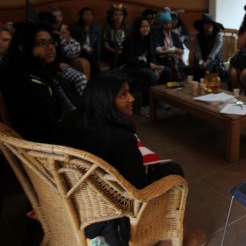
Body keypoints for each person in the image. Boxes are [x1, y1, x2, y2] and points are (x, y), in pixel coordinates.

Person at [56, 72, 184, 244]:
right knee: (174, 170)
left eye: (129, 92)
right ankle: (169, 227)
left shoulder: (70, 120)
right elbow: (137, 189)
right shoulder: (119, 137)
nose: (131, 98)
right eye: (123, 94)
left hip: (76, 195)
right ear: (105, 100)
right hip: (114, 206)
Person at [0, 20, 81, 143]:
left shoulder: (42, 72)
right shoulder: (28, 84)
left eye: (51, 42)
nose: (50, 48)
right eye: (41, 43)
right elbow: (47, 131)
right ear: (23, 48)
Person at [119, 16, 170, 117]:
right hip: (128, 67)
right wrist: (149, 66)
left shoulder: (148, 37)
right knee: (152, 76)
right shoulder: (129, 40)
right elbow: (130, 61)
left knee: (167, 71)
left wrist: (156, 66)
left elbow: (152, 55)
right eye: (142, 26)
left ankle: (159, 99)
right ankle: (145, 106)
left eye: (147, 26)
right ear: (137, 27)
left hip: (143, 65)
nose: (145, 29)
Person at [49, 6, 91, 78]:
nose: (57, 18)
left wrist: (67, 38)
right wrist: (57, 64)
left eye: (60, 16)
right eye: (54, 16)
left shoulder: (64, 30)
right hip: (53, 66)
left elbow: (75, 52)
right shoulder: (47, 33)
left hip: (65, 64)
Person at [153, 8, 187, 81]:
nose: (168, 25)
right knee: (172, 61)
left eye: (169, 23)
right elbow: (158, 49)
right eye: (165, 23)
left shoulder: (175, 35)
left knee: (181, 65)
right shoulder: (157, 34)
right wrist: (174, 50)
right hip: (162, 59)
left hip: (176, 58)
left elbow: (181, 50)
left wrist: (168, 49)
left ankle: (181, 83)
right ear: (162, 24)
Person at [192, 13, 226, 81]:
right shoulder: (198, 36)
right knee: (196, 67)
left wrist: (207, 62)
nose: (208, 26)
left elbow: (215, 51)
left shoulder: (218, 36)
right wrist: (200, 60)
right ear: (203, 25)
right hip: (202, 59)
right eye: (206, 24)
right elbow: (197, 51)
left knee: (209, 68)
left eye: (210, 24)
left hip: (214, 60)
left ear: (213, 26)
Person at [71, 6, 101, 76]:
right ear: (81, 16)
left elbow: (98, 44)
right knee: (90, 55)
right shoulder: (75, 27)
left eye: (90, 14)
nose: (88, 17)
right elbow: (74, 42)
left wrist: (98, 57)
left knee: (92, 56)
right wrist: (84, 49)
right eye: (86, 14)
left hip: (92, 51)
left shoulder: (96, 28)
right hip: (80, 50)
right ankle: (98, 76)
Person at [103, 3, 129, 68]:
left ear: (123, 16)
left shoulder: (127, 28)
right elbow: (105, 45)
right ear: (112, 16)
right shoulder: (108, 27)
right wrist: (116, 51)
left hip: (124, 52)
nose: (118, 17)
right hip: (111, 52)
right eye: (116, 15)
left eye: (120, 15)